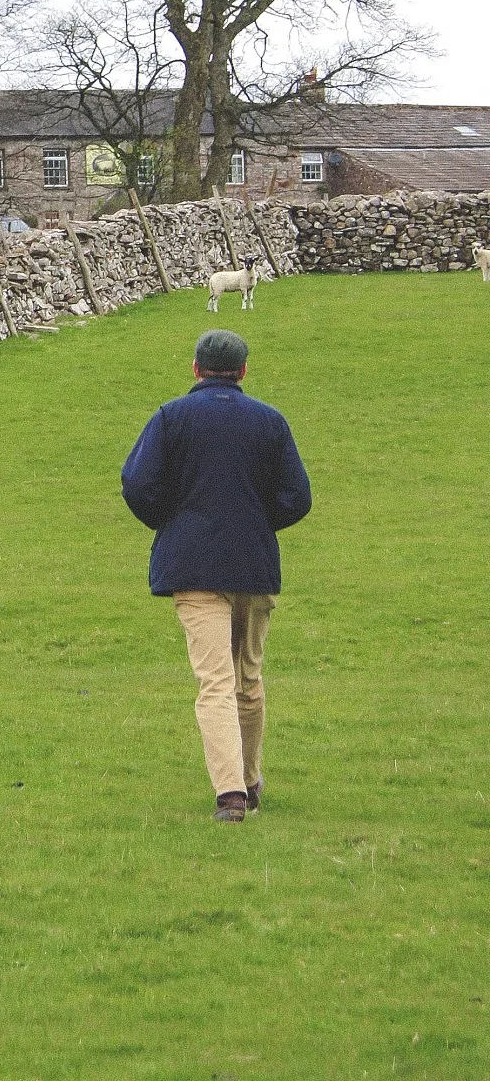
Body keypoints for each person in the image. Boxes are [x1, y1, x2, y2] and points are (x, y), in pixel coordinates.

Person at [121, 327, 311, 823]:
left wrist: (171, 520)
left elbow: (137, 484)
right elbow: (297, 497)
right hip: (252, 565)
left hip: (193, 565)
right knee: (247, 677)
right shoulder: (269, 422)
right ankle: (248, 779)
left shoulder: (171, 418)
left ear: (196, 368)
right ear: (243, 370)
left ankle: (231, 794)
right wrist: (256, 520)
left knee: (215, 681)